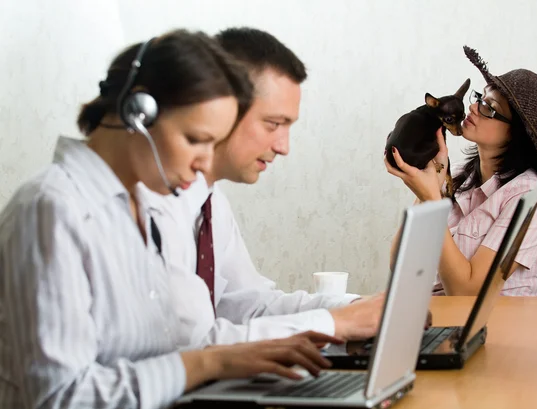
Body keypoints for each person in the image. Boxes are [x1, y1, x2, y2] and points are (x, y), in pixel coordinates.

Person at [0, 29, 341, 409]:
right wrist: (210, 362)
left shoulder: (145, 210)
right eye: (196, 140)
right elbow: (59, 398)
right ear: (139, 114)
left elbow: (163, 351)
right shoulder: (53, 210)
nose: (206, 162)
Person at [139, 27, 386, 349]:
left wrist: (353, 309)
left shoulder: (210, 203)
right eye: (273, 124)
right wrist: (334, 323)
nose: (283, 147)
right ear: (222, 107)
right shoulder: (155, 203)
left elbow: (248, 305)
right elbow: (192, 344)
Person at [385, 46, 537, 297]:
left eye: (490, 107)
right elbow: (399, 265)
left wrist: (432, 200)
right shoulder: (456, 176)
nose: (474, 108)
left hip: (492, 331)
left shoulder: (533, 199)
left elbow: (466, 293)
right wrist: (425, 189)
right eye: (479, 98)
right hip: (429, 319)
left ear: (516, 134)